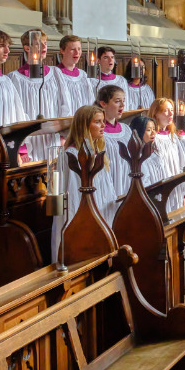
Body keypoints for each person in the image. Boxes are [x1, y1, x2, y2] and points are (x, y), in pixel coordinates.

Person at [57, 105, 118, 260]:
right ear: (84, 125)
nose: (103, 125)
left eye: (103, 121)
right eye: (97, 122)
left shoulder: (96, 151)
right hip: (82, 220)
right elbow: (72, 198)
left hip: (101, 215)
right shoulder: (71, 154)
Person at [9, 29, 72, 160]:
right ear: (27, 47)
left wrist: (63, 136)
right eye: (38, 43)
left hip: (54, 140)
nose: (44, 47)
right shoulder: (15, 78)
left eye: (45, 43)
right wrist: (22, 148)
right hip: (30, 142)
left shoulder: (55, 74)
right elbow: (16, 114)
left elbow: (65, 105)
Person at [96, 85, 129, 222]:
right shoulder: (98, 132)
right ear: (103, 104)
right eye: (117, 101)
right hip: (108, 184)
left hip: (126, 183)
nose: (122, 105)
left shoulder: (126, 130)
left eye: (123, 101)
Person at [128, 113, 172, 185]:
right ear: (139, 131)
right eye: (148, 130)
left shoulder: (157, 153)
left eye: (154, 129)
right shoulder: (136, 157)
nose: (153, 133)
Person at [53, 35, 94, 111]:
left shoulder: (83, 75)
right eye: (73, 49)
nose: (77, 53)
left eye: (79, 49)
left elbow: (90, 101)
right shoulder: (55, 74)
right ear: (62, 50)